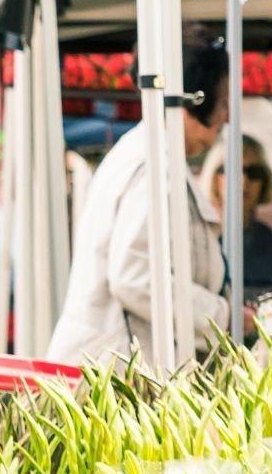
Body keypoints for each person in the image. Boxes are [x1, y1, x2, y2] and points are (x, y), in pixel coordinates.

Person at [50, 47, 229, 364]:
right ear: (196, 100)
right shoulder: (151, 165)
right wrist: (222, 316)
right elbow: (135, 275)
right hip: (113, 374)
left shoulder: (152, 155)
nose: (225, 116)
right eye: (223, 102)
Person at [237, 148, 272, 303]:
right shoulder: (208, 233)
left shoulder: (264, 236)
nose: (244, 181)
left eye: (254, 173)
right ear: (215, 177)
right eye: (234, 170)